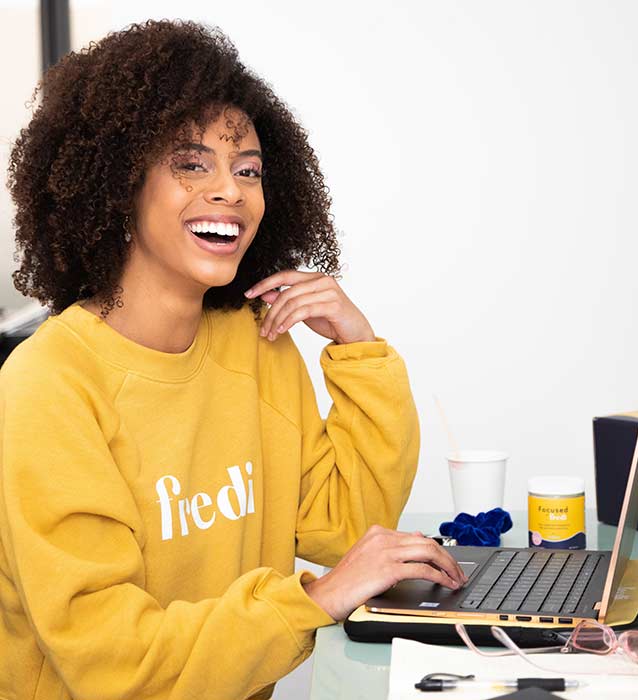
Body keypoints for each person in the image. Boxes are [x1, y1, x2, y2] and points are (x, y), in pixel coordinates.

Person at [0, 19, 467, 700]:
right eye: (191, 163)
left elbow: (347, 529)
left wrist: (358, 349)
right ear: (116, 183)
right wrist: (314, 600)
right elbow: (113, 664)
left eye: (247, 170)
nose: (230, 191)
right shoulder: (49, 386)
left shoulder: (255, 343)